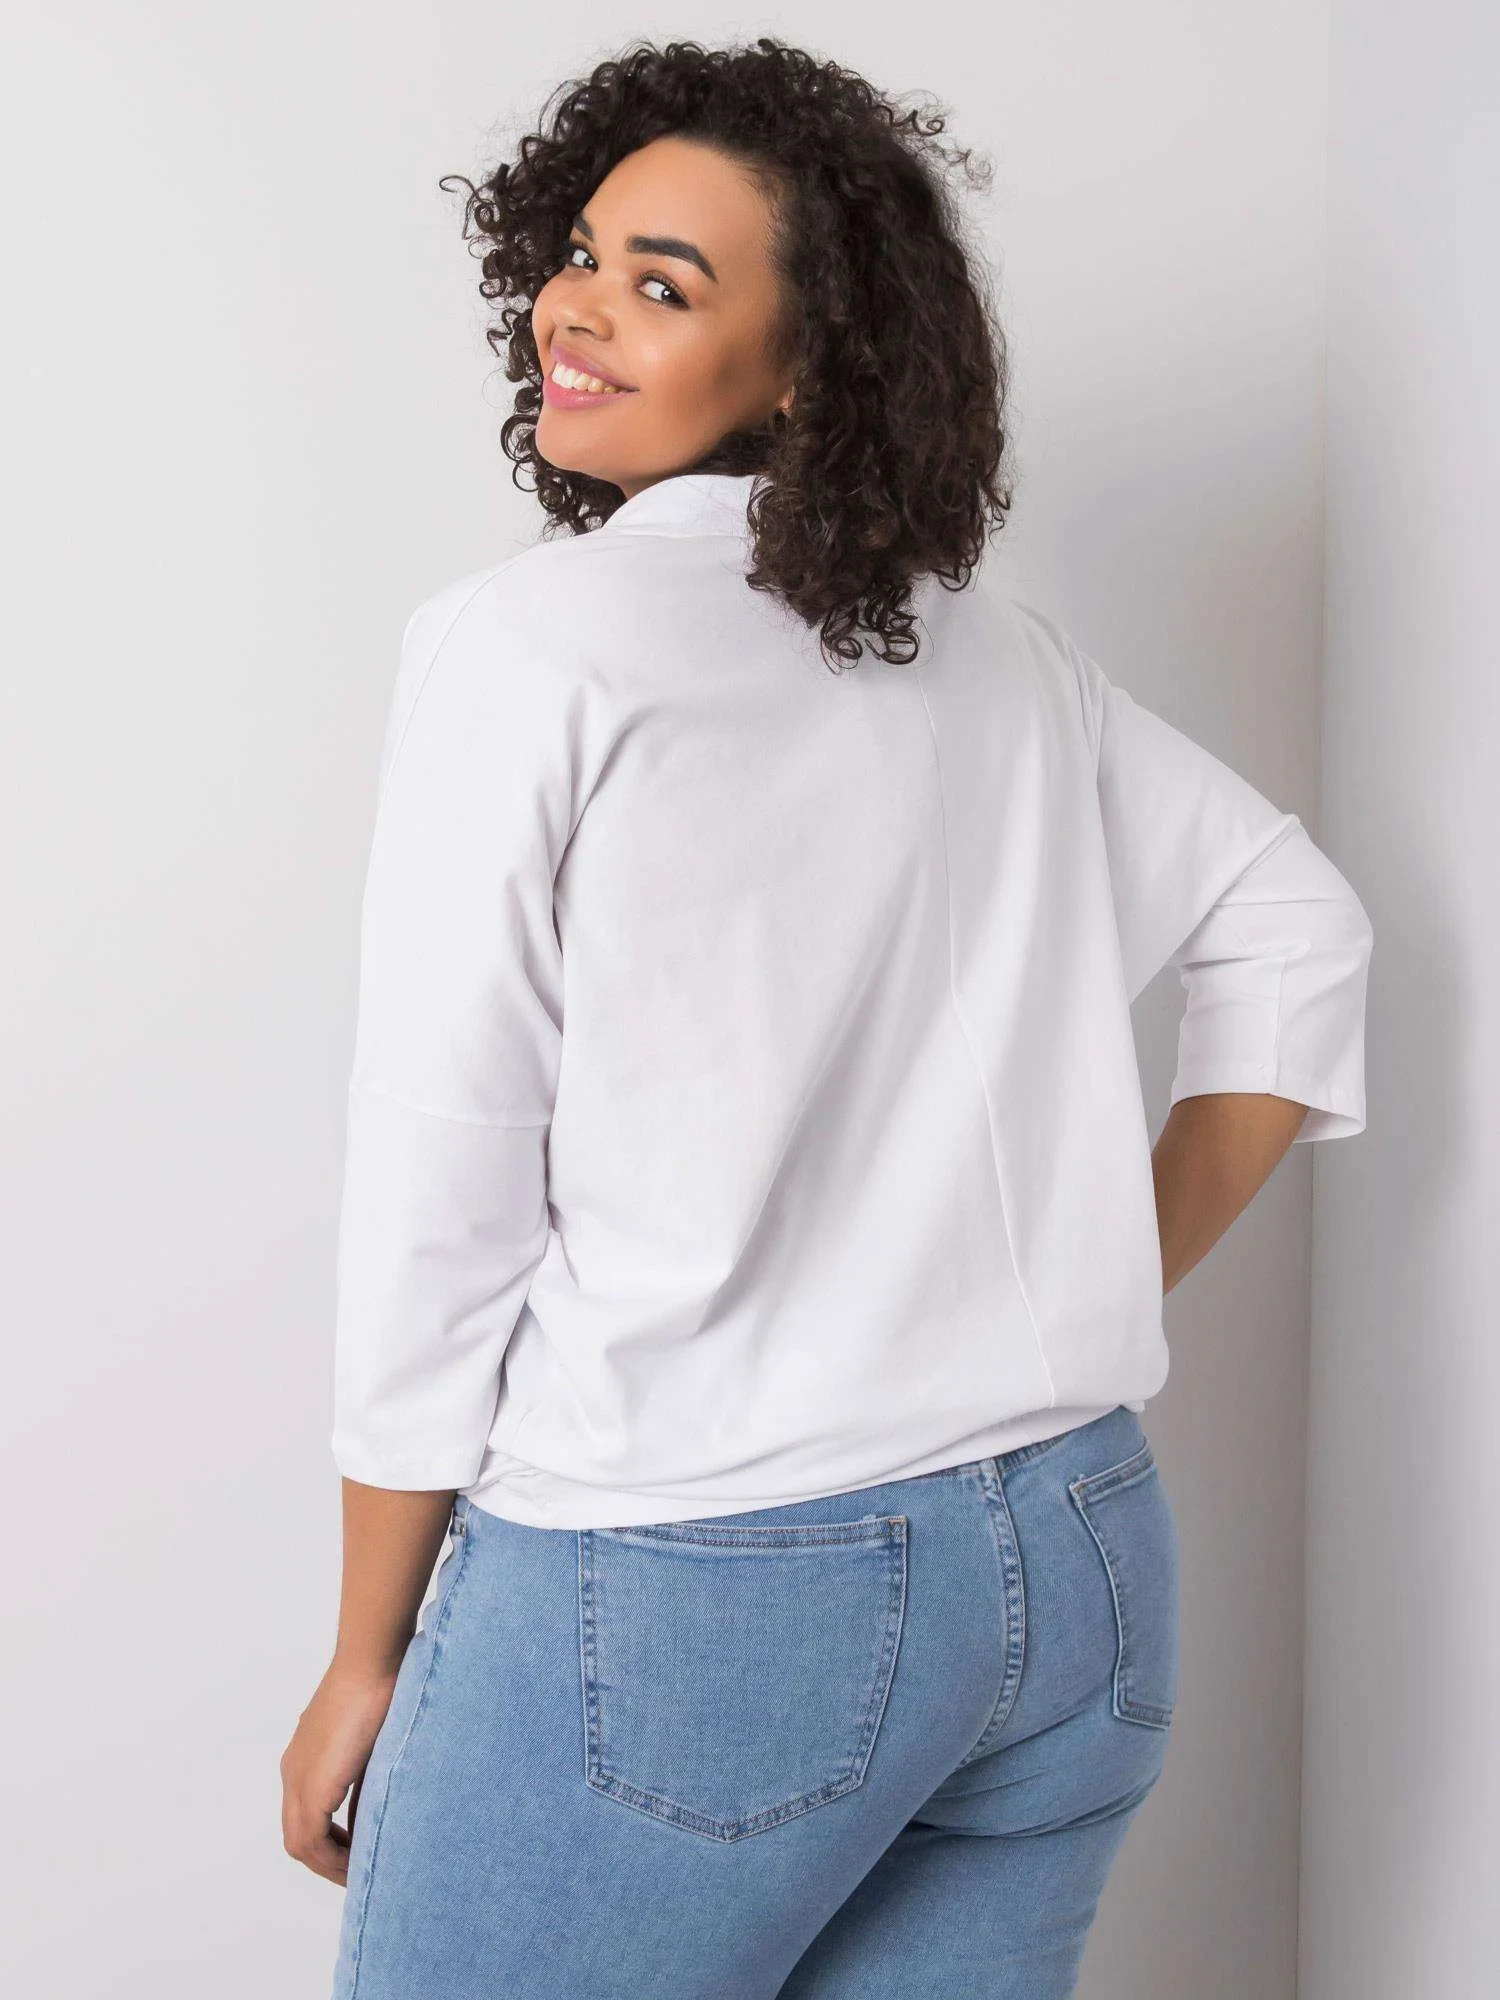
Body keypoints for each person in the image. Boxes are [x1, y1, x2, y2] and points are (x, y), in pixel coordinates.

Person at [280, 36, 1373, 2000]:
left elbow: (445, 1184)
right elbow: (1297, 928)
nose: (579, 308)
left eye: (665, 283)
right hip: (1073, 1561)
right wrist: (1093, 1272)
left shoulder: (525, 651)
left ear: (805, 368)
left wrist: (368, 1648)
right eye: (584, 254)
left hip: (694, 1584)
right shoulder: (999, 659)